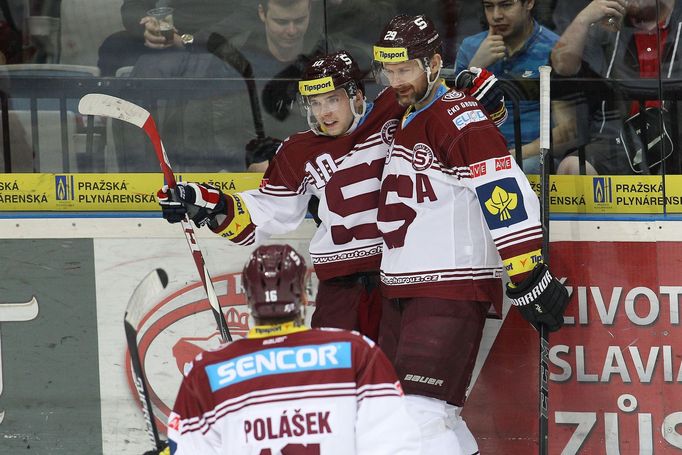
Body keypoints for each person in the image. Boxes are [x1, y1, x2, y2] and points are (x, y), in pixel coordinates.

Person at [156, 49, 507, 344]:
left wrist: (479, 94)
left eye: (333, 100)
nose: (324, 113)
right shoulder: (297, 151)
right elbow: (263, 214)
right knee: (336, 395)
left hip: (401, 281)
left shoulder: (396, 109)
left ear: (356, 95)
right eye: (316, 103)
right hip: (341, 291)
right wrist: (205, 202)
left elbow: (455, 117)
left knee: (401, 400)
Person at [372, 14, 569, 454]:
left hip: (450, 287)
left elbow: (504, 189)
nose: (395, 80)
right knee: (427, 415)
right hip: (404, 288)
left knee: (416, 418)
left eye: (405, 69)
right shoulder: (408, 112)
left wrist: (526, 273)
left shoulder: (456, 116)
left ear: (434, 63)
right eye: (389, 69)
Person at [165, 243, 421, 454]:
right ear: (303, 296)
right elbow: (397, 444)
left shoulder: (208, 370)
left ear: (248, 298)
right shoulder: (354, 352)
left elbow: (188, 448)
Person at [550, 0, 681, 174]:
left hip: (677, 136)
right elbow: (562, 67)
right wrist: (584, 19)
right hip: (618, 140)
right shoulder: (608, 22)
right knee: (572, 168)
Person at [455, 0, 576, 173]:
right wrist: (475, 68)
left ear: (529, 3)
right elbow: (451, 119)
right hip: (477, 154)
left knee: (524, 168)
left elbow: (567, 131)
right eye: (489, 6)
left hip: (531, 156)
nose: (496, 15)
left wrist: (509, 157)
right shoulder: (471, 48)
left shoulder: (556, 51)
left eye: (506, 5)